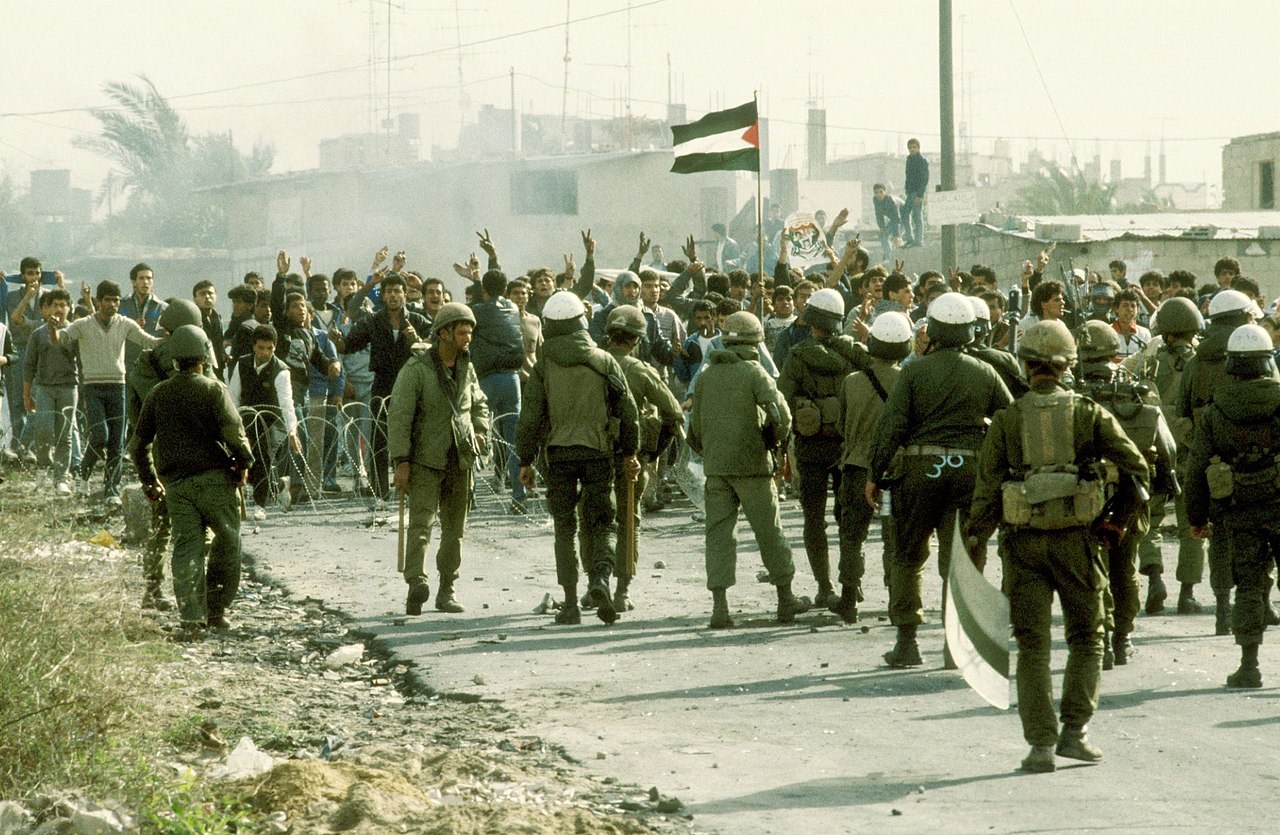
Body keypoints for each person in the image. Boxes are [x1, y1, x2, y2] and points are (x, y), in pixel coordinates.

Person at [966, 319, 1147, 773]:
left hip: (1022, 545)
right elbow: (1138, 470)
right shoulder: (1089, 413)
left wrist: (972, 548)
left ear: (1026, 366)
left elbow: (986, 496)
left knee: (1032, 647)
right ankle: (1075, 733)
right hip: (1080, 545)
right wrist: (1115, 522)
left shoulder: (1007, 420)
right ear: (1067, 366)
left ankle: (1041, 746)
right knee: (1087, 638)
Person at [864, 292, 1013, 668]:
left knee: (908, 555)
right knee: (962, 560)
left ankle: (907, 643)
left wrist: (874, 474)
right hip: (969, 473)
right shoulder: (985, 372)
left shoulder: (914, 370)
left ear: (933, 330)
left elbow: (891, 426)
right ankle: (955, 649)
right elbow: (1010, 421)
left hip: (920, 471)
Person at [515, 291, 640, 626]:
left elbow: (529, 418)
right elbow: (628, 413)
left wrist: (524, 461)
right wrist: (630, 453)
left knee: (564, 528)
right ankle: (601, 577)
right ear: (582, 323)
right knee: (602, 523)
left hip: (557, 456)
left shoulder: (543, 367)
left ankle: (570, 604)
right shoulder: (604, 360)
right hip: (599, 453)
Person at [131, 324, 253, 642]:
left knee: (187, 549)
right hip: (215, 482)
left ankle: (190, 618)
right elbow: (234, 433)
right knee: (228, 542)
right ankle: (217, 611)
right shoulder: (213, 389)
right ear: (204, 356)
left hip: (177, 487)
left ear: (174, 360)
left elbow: (138, 444)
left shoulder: (158, 393)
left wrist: (150, 481)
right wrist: (244, 463)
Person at [689, 310, 810, 628]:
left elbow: (695, 430)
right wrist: (773, 442)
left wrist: (712, 453)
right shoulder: (756, 373)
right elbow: (781, 415)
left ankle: (720, 609)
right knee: (769, 532)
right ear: (757, 341)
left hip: (717, 469)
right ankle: (785, 599)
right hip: (753, 465)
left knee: (718, 536)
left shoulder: (705, 377)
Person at [1075, 321, 1176, 668]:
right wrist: (1160, 484)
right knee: (1124, 567)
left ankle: (1098, 640)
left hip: (1081, 494)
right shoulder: (1137, 390)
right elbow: (1167, 448)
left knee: (1090, 569)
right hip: (1130, 495)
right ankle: (1122, 639)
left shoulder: (1069, 391)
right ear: (1114, 350)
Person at [1185, 323, 1280, 688]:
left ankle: (1249, 666)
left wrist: (1197, 518)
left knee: (1250, 586)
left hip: (1240, 512)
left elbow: (1196, 469)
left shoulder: (1216, 411)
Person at [388, 303, 488, 616]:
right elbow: (400, 416)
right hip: (424, 461)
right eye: (461, 331)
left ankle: (447, 589)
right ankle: (416, 584)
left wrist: (481, 431)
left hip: (460, 460)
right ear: (443, 333)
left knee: (454, 530)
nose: (467, 336)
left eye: (470, 331)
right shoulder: (417, 369)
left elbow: (479, 403)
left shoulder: (467, 366)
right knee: (421, 525)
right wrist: (401, 461)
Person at [1176, 288, 1263, 635]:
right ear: (1242, 318)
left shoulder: (1195, 364)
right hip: (1257, 464)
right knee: (1258, 537)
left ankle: (1223, 609)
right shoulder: (1255, 357)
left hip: (1212, 467)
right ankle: (1256, 605)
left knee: (1221, 538)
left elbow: (1183, 416)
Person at [778, 288, 869, 607]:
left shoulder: (798, 355)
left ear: (811, 320)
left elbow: (783, 400)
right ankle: (852, 582)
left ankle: (824, 585)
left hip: (810, 448)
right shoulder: (857, 353)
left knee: (813, 519)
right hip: (849, 447)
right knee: (850, 516)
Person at [600, 306, 683, 612]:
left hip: (594, 456)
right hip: (632, 459)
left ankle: (596, 581)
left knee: (595, 522)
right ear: (636, 340)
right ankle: (622, 590)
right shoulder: (640, 370)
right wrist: (653, 452)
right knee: (628, 522)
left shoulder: (593, 364)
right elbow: (673, 412)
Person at [330, 260, 431, 507]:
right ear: (383, 297)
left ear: (405, 295)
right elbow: (350, 344)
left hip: (412, 384)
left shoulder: (417, 320)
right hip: (383, 384)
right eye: (389, 292)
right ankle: (380, 494)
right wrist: (337, 340)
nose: (393, 295)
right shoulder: (373, 321)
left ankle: (415, 489)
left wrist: (416, 340)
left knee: (415, 437)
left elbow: (434, 347)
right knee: (379, 439)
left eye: (398, 291)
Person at [833, 311, 912, 622]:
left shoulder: (852, 382)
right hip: (894, 473)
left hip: (855, 470)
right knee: (894, 537)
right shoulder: (909, 380)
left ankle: (849, 599)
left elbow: (842, 424)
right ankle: (896, 599)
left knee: (852, 535)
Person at [1132, 297, 1206, 615]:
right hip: (1191, 451)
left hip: (1155, 448)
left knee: (1151, 518)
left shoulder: (1148, 358)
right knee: (1193, 522)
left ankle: (1155, 579)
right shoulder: (1202, 361)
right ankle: (1187, 593)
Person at [58, 280, 162, 504]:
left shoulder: (125, 323)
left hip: (118, 386)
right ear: (98, 301)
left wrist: (173, 338)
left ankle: (111, 490)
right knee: (99, 436)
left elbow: (148, 341)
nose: (112, 304)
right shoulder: (84, 324)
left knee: (116, 441)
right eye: (108, 300)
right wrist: (51, 327)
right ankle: (82, 475)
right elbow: (62, 338)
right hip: (93, 387)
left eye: (116, 300)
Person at [470, 255, 531, 513]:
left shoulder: (478, 311)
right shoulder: (512, 309)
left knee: (475, 435)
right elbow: (497, 286)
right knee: (513, 441)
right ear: (506, 291)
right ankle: (519, 496)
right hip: (512, 379)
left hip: (486, 380)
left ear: (483, 290)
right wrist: (493, 258)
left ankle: (468, 494)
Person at [228, 325, 301, 520]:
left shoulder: (281, 371)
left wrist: (292, 430)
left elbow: (287, 403)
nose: (265, 353)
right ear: (253, 346)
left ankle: (260, 504)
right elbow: (233, 396)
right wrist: (231, 426)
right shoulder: (242, 364)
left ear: (275, 348)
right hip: (248, 416)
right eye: (261, 348)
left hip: (272, 419)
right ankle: (277, 485)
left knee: (262, 453)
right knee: (243, 455)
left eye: (270, 348)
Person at [22, 289, 77, 495]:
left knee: (65, 435)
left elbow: (80, 361)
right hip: (44, 388)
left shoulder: (74, 332)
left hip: (68, 388)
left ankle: (61, 478)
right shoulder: (37, 334)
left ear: (69, 308)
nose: (59, 309)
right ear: (48, 308)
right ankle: (44, 467)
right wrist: (27, 396)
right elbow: (29, 366)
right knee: (43, 431)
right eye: (55, 304)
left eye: (63, 305)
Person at [118, 263, 167, 371]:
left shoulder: (163, 308)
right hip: (126, 364)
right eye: (141, 278)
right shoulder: (121, 305)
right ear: (133, 282)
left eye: (149, 278)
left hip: (153, 367)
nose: (145, 282)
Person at [193, 280, 225, 380]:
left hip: (218, 367)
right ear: (195, 299)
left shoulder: (217, 318)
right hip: (201, 369)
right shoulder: (194, 319)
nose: (207, 297)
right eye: (202, 294)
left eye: (210, 293)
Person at [903, 139, 929, 247]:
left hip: (917, 192)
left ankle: (918, 240)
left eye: (914, 147)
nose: (912, 149)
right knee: (905, 215)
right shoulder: (909, 160)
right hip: (910, 192)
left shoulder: (922, 160)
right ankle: (910, 238)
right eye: (910, 147)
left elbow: (924, 179)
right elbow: (908, 176)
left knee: (917, 217)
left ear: (918, 148)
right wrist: (906, 189)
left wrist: (920, 195)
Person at [872, 184, 905, 261]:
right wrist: (881, 227)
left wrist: (896, 235)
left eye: (881, 192)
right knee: (883, 236)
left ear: (885, 192)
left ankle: (902, 256)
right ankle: (888, 257)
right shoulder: (875, 200)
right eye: (876, 192)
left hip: (904, 219)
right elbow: (878, 214)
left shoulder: (891, 200)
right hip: (894, 220)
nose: (878, 194)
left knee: (896, 239)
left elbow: (896, 219)